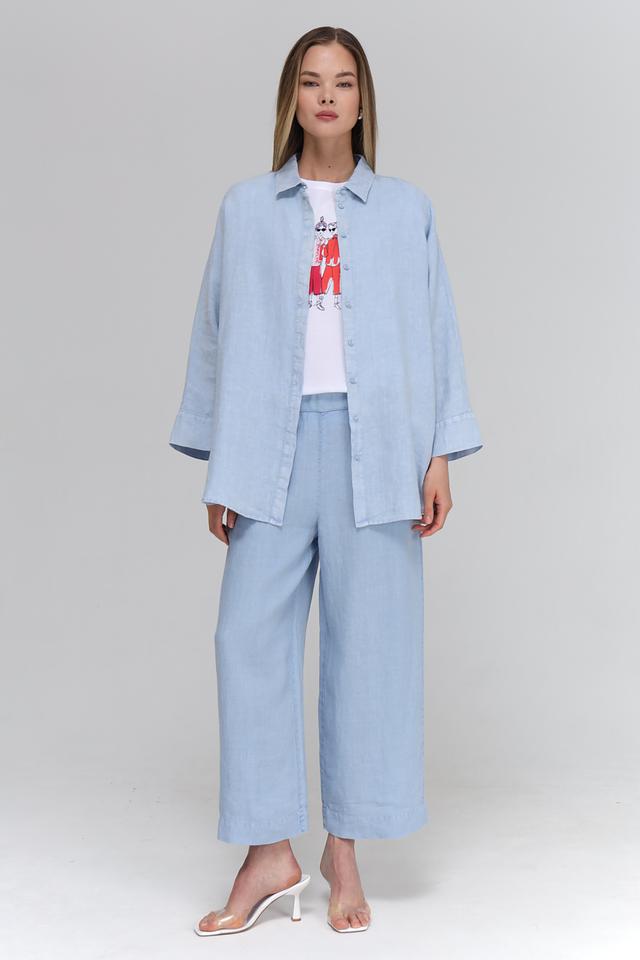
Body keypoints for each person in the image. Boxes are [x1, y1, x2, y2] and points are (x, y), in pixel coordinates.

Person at [169, 25, 484, 936]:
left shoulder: (406, 209)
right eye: (312, 82)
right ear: (293, 99)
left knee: (371, 651)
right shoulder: (245, 208)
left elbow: (437, 331)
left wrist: (438, 454)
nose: (328, 96)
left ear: (362, 100)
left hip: (378, 448)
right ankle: (269, 852)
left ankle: (344, 852)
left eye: (343, 82)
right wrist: (220, 462)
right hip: (268, 448)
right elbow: (215, 332)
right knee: (245, 639)